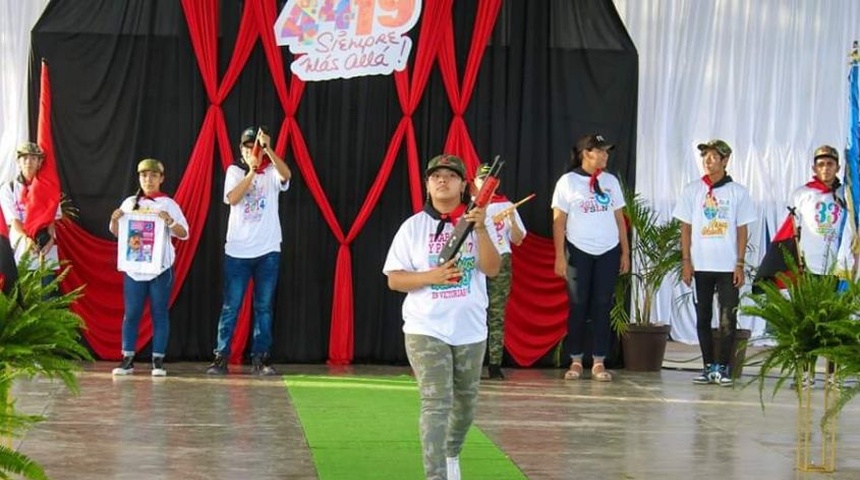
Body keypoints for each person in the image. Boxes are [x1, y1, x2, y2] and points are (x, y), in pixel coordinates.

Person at [383, 154, 501, 480]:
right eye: (436, 175)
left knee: (465, 407)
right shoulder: (413, 227)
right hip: (425, 327)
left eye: (451, 175)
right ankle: (435, 475)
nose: (443, 180)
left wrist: (481, 230)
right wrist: (430, 277)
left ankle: (451, 454)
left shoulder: (480, 222)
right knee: (436, 402)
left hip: (470, 330)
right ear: (427, 184)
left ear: (464, 185)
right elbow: (394, 279)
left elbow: (492, 269)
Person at [206, 127, 292, 376]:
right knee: (231, 306)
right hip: (238, 251)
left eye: (253, 147)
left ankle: (261, 358)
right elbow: (233, 198)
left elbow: (287, 175)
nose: (249, 151)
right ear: (241, 152)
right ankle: (221, 357)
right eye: (246, 148)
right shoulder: (235, 171)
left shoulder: (272, 171)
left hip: (268, 251)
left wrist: (268, 150)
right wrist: (252, 171)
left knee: (263, 307)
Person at [673, 139, 756, 387]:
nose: (708, 161)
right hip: (701, 266)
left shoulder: (738, 192)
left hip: (727, 266)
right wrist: (686, 261)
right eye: (705, 157)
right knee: (703, 316)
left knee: (727, 317)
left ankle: (724, 367)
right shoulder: (692, 190)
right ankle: (708, 365)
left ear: (725, 160)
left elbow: (742, 231)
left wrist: (739, 263)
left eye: (713, 157)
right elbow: (685, 229)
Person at [552, 134, 629, 382]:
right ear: (586, 153)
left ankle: (598, 360)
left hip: (608, 250)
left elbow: (620, 219)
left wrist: (625, 252)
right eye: (601, 151)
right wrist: (559, 256)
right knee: (578, 305)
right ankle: (575, 360)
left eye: (607, 151)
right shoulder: (568, 182)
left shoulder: (611, 181)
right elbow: (558, 221)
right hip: (578, 251)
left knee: (602, 306)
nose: (606, 155)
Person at [109, 158, 189, 376]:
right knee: (132, 313)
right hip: (135, 268)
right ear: (139, 178)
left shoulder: (168, 204)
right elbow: (118, 233)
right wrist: (115, 220)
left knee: (159, 312)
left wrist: (170, 221)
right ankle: (127, 359)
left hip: (160, 269)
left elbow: (185, 233)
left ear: (161, 178)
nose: (149, 180)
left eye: (153, 175)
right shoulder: (129, 203)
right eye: (144, 175)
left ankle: (158, 361)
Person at [789, 145, 857, 387]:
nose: (825, 168)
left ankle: (832, 375)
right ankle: (807, 373)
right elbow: (791, 231)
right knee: (808, 323)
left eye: (830, 164)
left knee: (834, 323)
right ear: (814, 168)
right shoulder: (802, 194)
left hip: (837, 269)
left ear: (837, 167)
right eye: (821, 164)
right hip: (809, 268)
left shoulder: (848, 195)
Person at [473, 163, 526, 380]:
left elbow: (518, 239)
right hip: (474, 263)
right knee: (471, 312)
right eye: (482, 180)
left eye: (490, 180)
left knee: (496, 314)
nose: (486, 184)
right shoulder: (469, 206)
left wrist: (512, 219)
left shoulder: (506, 205)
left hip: (501, 261)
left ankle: (494, 364)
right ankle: (472, 364)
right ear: (475, 183)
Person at [0, 142, 63, 283]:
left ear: (40, 162)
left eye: (33, 158)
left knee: (46, 293)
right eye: (25, 158)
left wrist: (51, 238)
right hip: (21, 246)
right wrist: (27, 238)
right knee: (23, 292)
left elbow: (51, 217)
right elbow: (13, 220)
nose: (29, 162)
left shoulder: (48, 188)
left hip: (45, 246)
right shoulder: (8, 188)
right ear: (18, 162)